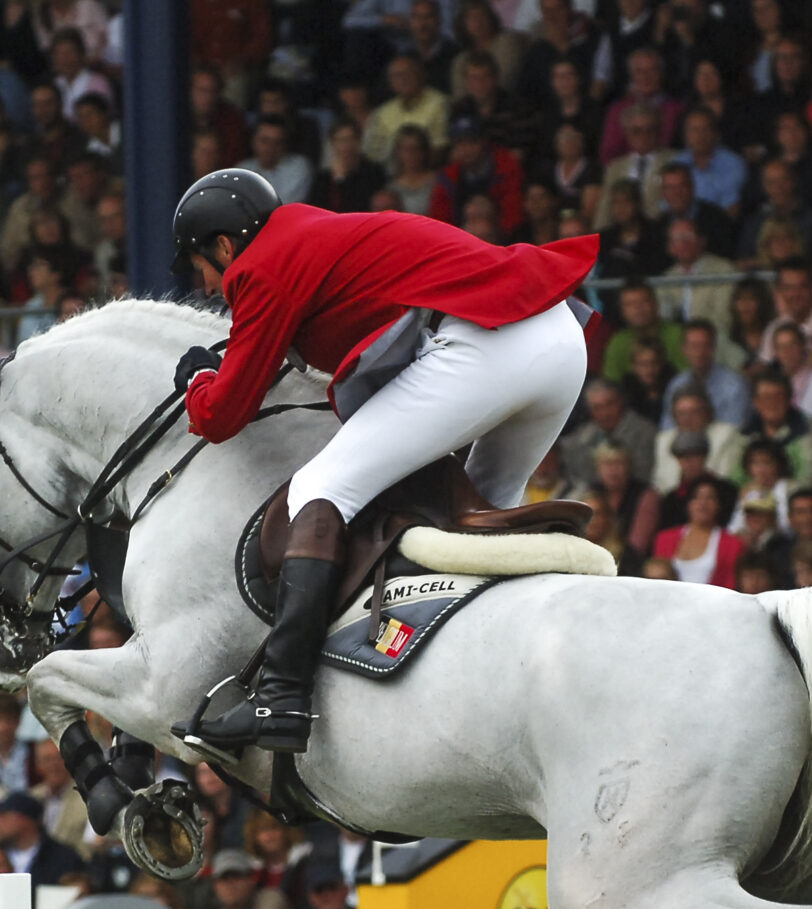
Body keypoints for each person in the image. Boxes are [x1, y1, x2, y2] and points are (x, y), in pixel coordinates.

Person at [170, 168, 596, 755]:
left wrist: (199, 379)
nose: (209, 287)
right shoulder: (307, 235)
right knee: (474, 520)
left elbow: (221, 416)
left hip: (489, 344)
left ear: (224, 246)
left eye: (202, 269)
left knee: (319, 490)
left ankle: (281, 697)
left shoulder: (259, 266)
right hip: (558, 338)